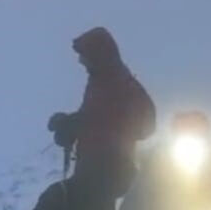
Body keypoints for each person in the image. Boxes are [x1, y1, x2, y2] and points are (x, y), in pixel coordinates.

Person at [48, 26, 156, 198]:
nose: (80, 61)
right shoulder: (100, 82)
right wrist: (70, 123)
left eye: (84, 56)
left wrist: (76, 125)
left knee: (55, 200)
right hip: (96, 173)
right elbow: (95, 117)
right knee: (58, 201)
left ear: (96, 55)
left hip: (107, 174)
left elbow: (145, 124)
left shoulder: (118, 83)